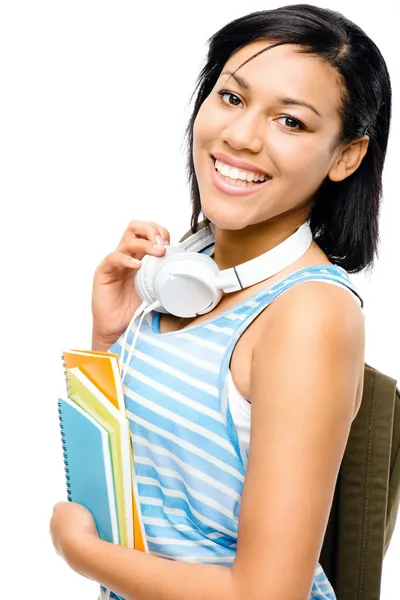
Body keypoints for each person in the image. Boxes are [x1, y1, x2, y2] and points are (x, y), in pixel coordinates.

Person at [50, 4, 392, 599]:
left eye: (291, 121)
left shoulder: (309, 315)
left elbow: (266, 594)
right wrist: (109, 337)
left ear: (345, 156)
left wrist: (85, 555)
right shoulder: (194, 266)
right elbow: (144, 486)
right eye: (233, 98)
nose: (241, 135)